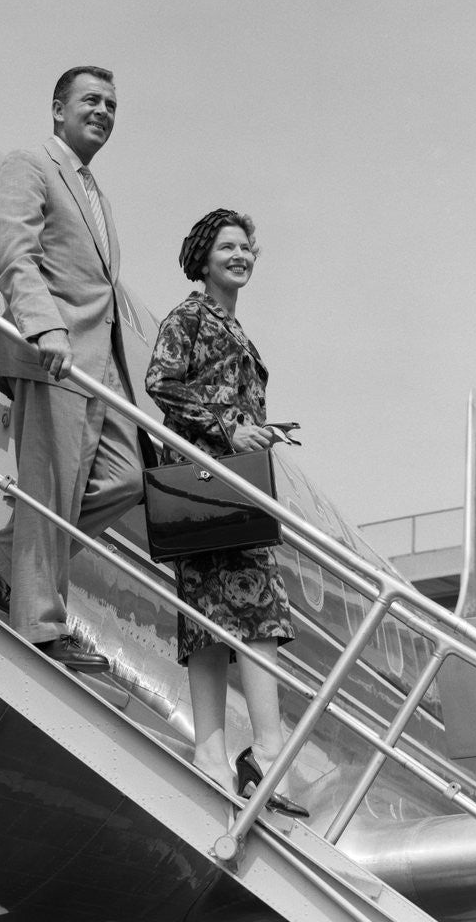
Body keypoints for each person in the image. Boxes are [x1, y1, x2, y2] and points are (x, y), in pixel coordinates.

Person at [0, 66, 147, 672]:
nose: (103, 111)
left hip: (101, 368)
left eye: (112, 105)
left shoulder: (97, 193)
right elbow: (15, 252)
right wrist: (44, 324)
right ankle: (40, 625)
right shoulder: (30, 163)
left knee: (125, 477)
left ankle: (2, 555)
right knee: (51, 488)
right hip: (54, 355)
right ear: (57, 108)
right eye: (91, 100)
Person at [145, 209, 308, 817]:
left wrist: (256, 431)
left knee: (214, 619)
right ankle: (266, 752)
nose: (241, 255)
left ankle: (212, 757)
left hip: (226, 481)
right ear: (204, 257)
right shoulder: (188, 317)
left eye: (247, 248)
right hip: (206, 480)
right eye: (228, 247)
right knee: (256, 612)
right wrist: (230, 428)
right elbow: (160, 382)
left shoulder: (233, 327)